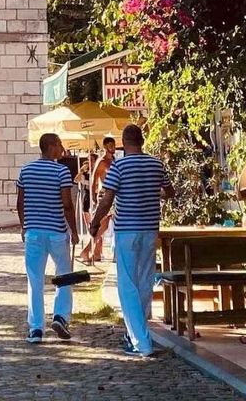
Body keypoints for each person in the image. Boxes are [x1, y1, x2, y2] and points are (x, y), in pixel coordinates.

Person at [89, 124, 175, 357]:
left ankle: (141, 342)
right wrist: (151, 192)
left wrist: (95, 222)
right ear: (142, 141)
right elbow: (170, 192)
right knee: (144, 282)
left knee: (127, 285)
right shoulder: (156, 165)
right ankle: (137, 333)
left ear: (123, 143)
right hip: (149, 230)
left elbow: (107, 200)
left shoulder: (119, 166)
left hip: (127, 230)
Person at [16, 133, 79, 345]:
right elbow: (67, 204)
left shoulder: (26, 171)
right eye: (60, 144)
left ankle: (35, 329)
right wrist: (75, 230)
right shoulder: (62, 171)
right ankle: (61, 316)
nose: (62, 148)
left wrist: (25, 226)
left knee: (35, 280)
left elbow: (20, 202)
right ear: (51, 147)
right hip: (57, 232)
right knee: (64, 275)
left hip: (34, 232)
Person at [79, 136, 117, 265]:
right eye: (110, 145)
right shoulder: (101, 161)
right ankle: (87, 250)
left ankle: (90, 250)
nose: (113, 147)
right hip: (104, 195)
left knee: (105, 226)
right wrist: (94, 198)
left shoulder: (115, 161)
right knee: (102, 225)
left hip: (115, 196)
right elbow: (94, 179)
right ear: (105, 147)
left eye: (114, 145)